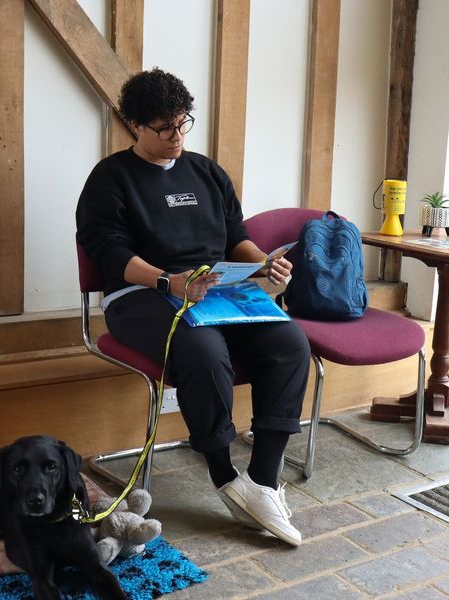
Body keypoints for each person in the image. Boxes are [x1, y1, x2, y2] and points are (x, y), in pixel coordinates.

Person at [76, 68, 310, 546]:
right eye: (164, 127)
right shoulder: (110, 178)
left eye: (184, 123)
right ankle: (225, 476)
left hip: (215, 289)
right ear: (135, 125)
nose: (177, 136)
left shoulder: (205, 171)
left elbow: (235, 238)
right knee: (203, 350)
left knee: (290, 341)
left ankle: (262, 482)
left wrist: (265, 264)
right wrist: (168, 280)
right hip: (141, 295)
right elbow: (111, 254)